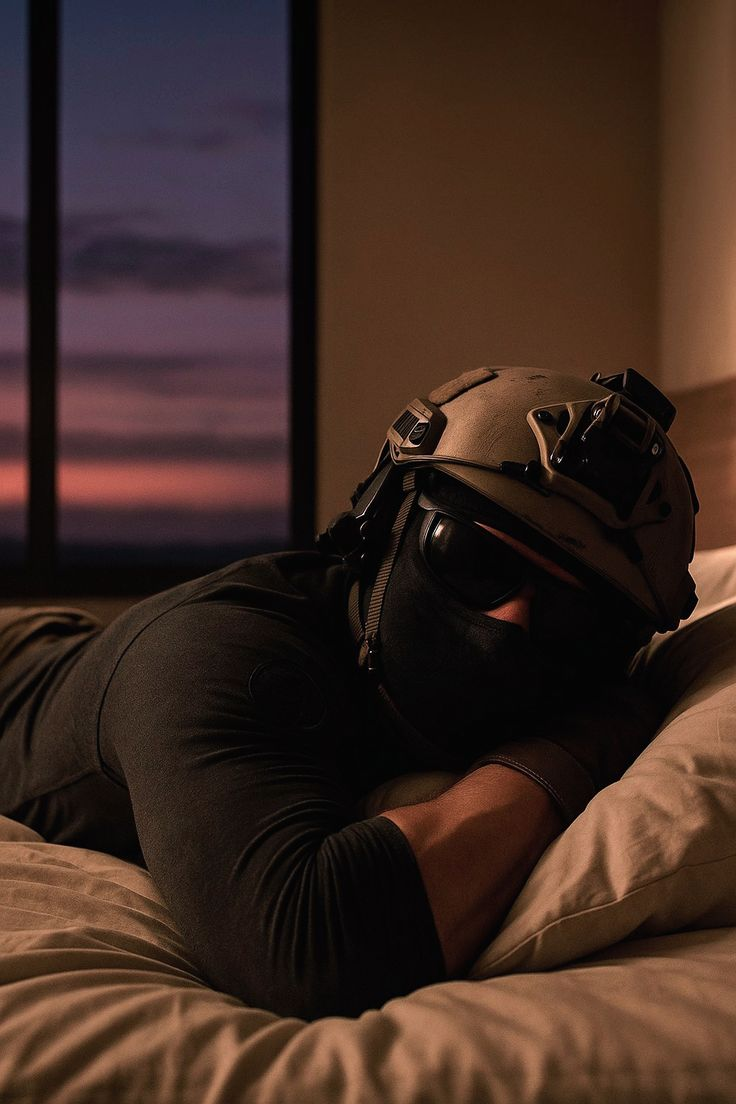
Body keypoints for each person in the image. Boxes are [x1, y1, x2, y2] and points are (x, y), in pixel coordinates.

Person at [0, 366, 699, 1021]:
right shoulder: (208, 652)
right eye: (471, 555)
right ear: (383, 524)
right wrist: (575, 747)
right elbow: (303, 951)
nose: (510, 621)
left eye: (577, 617)